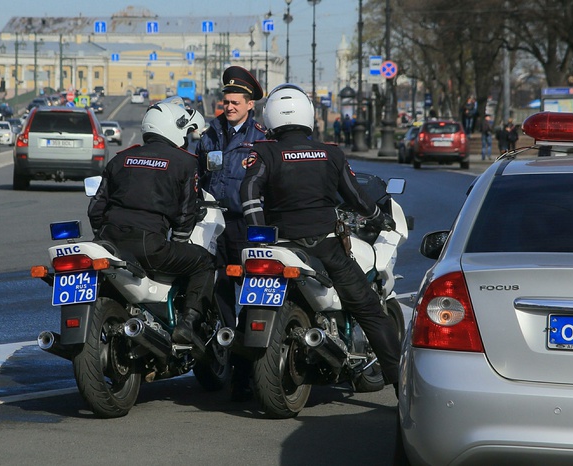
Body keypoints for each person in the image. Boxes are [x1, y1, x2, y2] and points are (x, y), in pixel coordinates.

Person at [240, 83, 402, 395]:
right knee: (369, 310)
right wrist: (377, 217)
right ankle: (401, 384)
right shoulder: (330, 153)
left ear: (270, 116)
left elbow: (248, 192)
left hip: (280, 245)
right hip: (326, 246)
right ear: (308, 115)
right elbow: (356, 197)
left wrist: (260, 232)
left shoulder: (263, 152)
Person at [88, 101, 214, 347]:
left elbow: (95, 210)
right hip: (149, 246)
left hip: (107, 243)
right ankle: (187, 325)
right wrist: (179, 243)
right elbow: (186, 216)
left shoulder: (120, 159)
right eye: (187, 132)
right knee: (204, 262)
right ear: (175, 129)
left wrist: (103, 235)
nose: (188, 138)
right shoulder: (185, 162)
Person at [196, 65, 265, 402]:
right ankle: (221, 350)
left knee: (252, 298)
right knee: (215, 291)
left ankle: (246, 374)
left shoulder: (261, 139)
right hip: (211, 223)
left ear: (250, 104)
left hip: (243, 226)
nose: (230, 106)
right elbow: (197, 176)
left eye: (236, 101)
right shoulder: (209, 135)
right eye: (226, 101)